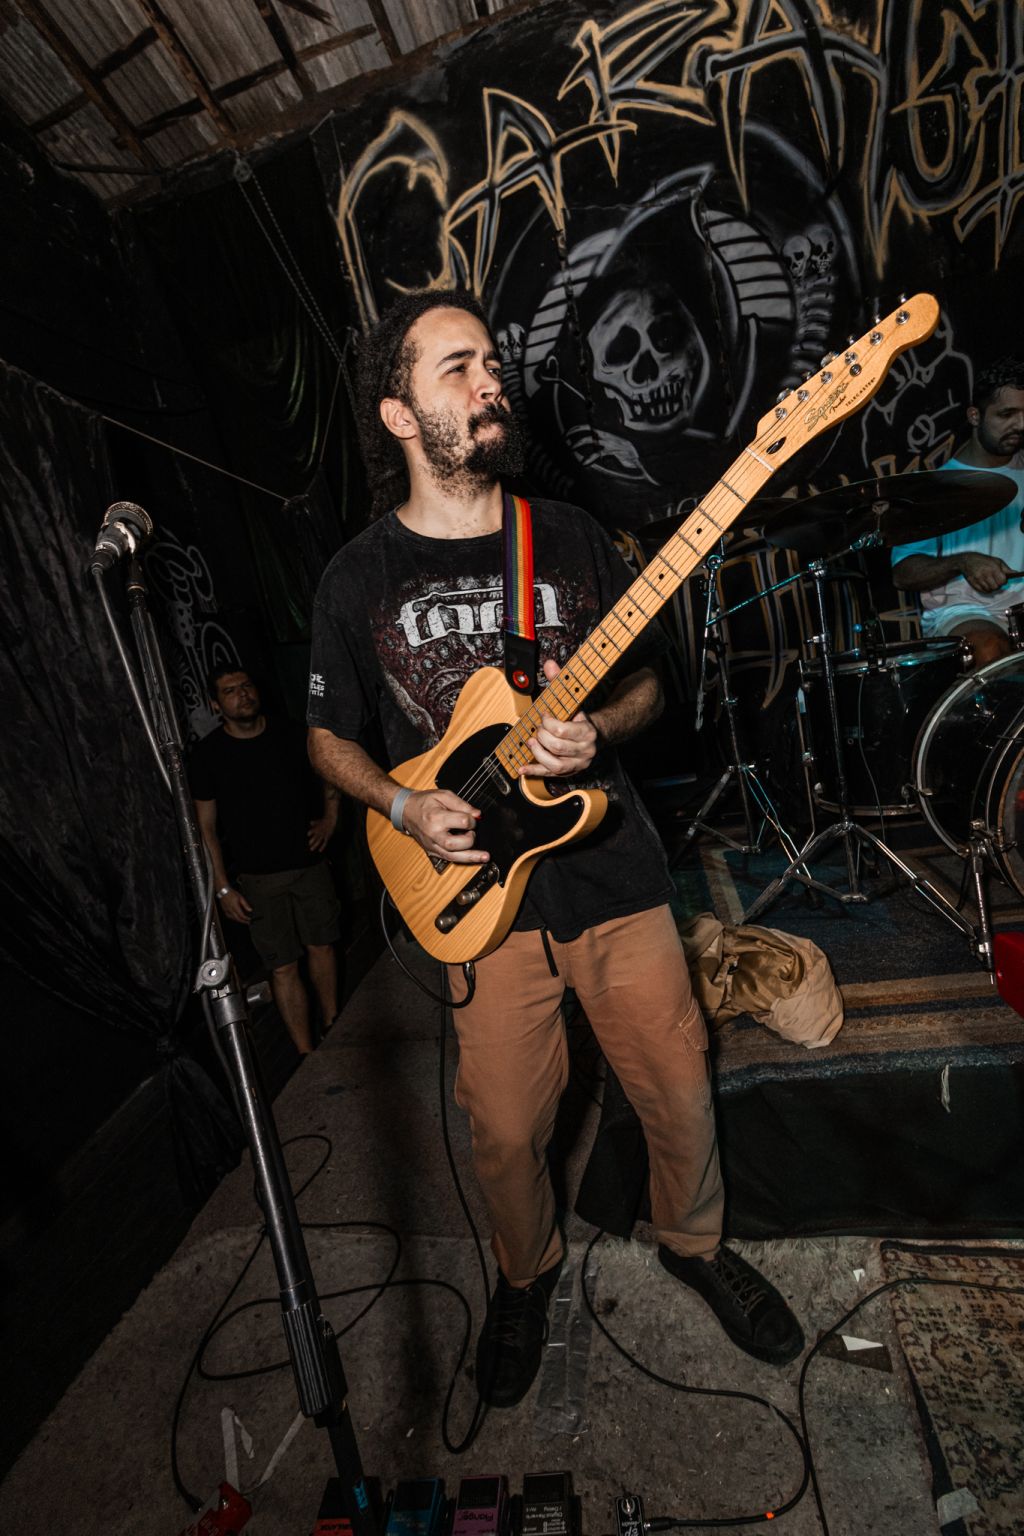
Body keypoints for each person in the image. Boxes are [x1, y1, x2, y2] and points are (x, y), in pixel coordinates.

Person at [306, 290, 803, 1408]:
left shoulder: (566, 536)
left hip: (609, 867)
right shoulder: (357, 575)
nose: (490, 380)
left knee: (677, 1084)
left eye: (491, 360)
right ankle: (525, 1275)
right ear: (398, 414)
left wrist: (602, 729)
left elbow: (648, 683)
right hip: (476, 894)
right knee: (504, 1129)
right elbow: (327, 739)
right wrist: (401, 806)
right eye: (456, 368)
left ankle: (694, 1242)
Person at [190, 665, 342, 1056]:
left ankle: (335, 1027)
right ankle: (307, 1053)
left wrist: (330, 818)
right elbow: (205, 829)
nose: (242, 694)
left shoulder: (290, 734)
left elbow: (330, 770)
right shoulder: (208, 755)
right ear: (215, 704)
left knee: (322, 946)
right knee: (282, 966)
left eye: (246, 686)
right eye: (229, 691)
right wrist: (222, 888)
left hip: (309, 865)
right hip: (258, 880)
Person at [891, 358, 1024, 669]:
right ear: (975, 416)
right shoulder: (934, 488)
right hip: (964, 612)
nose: (1020, 425)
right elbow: (903, 573)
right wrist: (963, 562)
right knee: (990, 649)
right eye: (1006, 414)